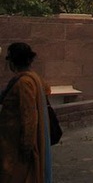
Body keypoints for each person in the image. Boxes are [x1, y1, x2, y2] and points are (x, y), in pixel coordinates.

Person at [0, 43, 52, 183]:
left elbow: (29, 116)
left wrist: (26, 147)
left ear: (12, 61)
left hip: (17, 147)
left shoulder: (24, 82)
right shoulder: (34, 78)